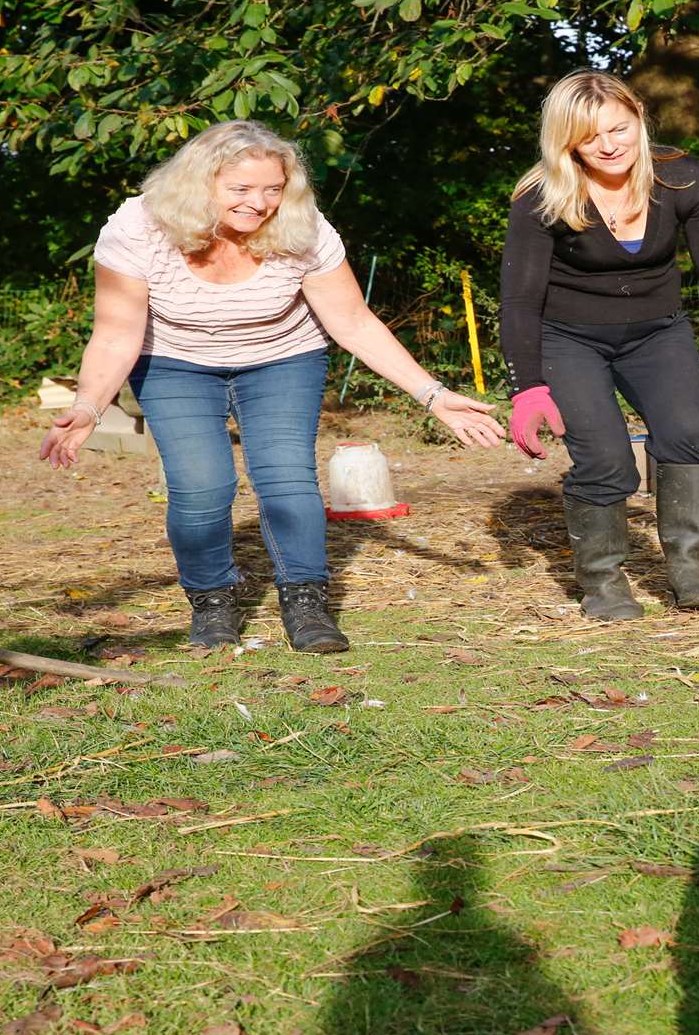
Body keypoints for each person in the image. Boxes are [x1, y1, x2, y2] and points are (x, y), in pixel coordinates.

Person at [38, 121, 506, 653]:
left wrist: (433, 395)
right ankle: (212, 602)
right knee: (201, 486)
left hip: (283, 359)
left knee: (287, 479)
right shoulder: (139, 228)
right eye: (240, 189)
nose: (259, 203)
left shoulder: (304, 229)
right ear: (199, 184)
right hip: (173, 363)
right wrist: (89, 406)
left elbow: (352, 322)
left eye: (272, 189)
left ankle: (306, 602)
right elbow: (117, 331)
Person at [499, 70, 699, 622]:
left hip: (656, 331)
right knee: (605, 458)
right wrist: (528, 389)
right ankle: (602, 581)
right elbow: (520, 300)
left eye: (619, 128)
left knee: (689, 435)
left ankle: (690, 571)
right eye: (590, 136)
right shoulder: (540, 197)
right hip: (568, 338)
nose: (609, 145)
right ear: (565, 141)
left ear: (640, 117)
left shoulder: (682, 179)